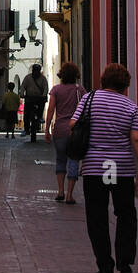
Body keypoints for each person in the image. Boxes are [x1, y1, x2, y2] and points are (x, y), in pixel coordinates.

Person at [69, 64, 138, 273]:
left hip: (95, 167)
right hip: (121, 168)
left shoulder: (89, 100)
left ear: (104, 80)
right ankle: (125, 260)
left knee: (97, 215)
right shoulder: (130, 106)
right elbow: (137, 138)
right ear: (125, 85)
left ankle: (104, 264)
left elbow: (73, 124)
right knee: (126, 214)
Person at [44, 62, 85, 203]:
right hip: (75, 132)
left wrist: (47, 129)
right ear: (75, 75)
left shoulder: (56, 90)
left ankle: (60, 191)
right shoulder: (80, 90)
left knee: (60, 160)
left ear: (62, 75)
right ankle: (69, 195)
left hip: (60, 130)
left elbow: (50, 110)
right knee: (73, 160)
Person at [19, 64, 48, 141]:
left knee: (42, 105)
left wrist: (44, 95)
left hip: (39, 98)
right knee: (26, 113)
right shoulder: (27, 78)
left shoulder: (43, 78)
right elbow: (23, 86)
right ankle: (26, 129)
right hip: (29, 98)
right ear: (32, 71)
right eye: (34, 71)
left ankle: (40, 116)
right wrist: (22, 94)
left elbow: (45, 87)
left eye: (37, 71)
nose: (36, 73)